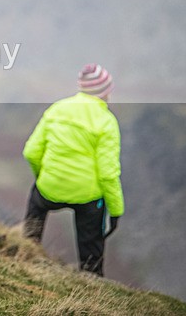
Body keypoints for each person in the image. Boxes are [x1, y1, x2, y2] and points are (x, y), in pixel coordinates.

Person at [22, 64, 124, 276]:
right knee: (91, 247)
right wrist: (115, 211)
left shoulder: (57, 109)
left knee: (36, 204)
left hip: (49, 187)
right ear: (104, 90)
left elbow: (31, 152)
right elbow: (107, 174)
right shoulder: (106, 122)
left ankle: (25, 255)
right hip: (88, 197)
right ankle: (92, 282)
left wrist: (42, 176)